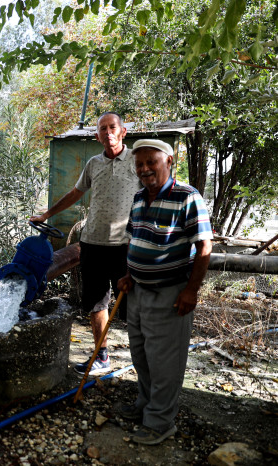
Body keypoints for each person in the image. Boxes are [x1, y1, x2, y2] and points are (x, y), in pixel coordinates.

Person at [117, 139, 213, 445]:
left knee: (164, 362)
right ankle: (145, 405)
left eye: (151, 163)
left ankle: (160, 422)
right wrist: (129, 274)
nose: (144, 169)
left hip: (170, 293)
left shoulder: (187, 196)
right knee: (141, 354)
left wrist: (192, 291)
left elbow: (204, 246)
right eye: (140, 164)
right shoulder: (138, 198)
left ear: (169, 162)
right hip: (138, 292)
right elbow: (135, 240)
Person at [30, 112, 141, 375]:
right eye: (102, 129)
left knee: (132, 308)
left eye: (112, 127)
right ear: (97, 135)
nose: (108, 132)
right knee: (96, 303)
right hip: (92, 244)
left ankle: (143, 361)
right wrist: (47, 214)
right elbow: (75, 193)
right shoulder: (93, 164)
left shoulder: (137, 160)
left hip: (126, 246)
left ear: (123, 131)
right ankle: (101, 357)